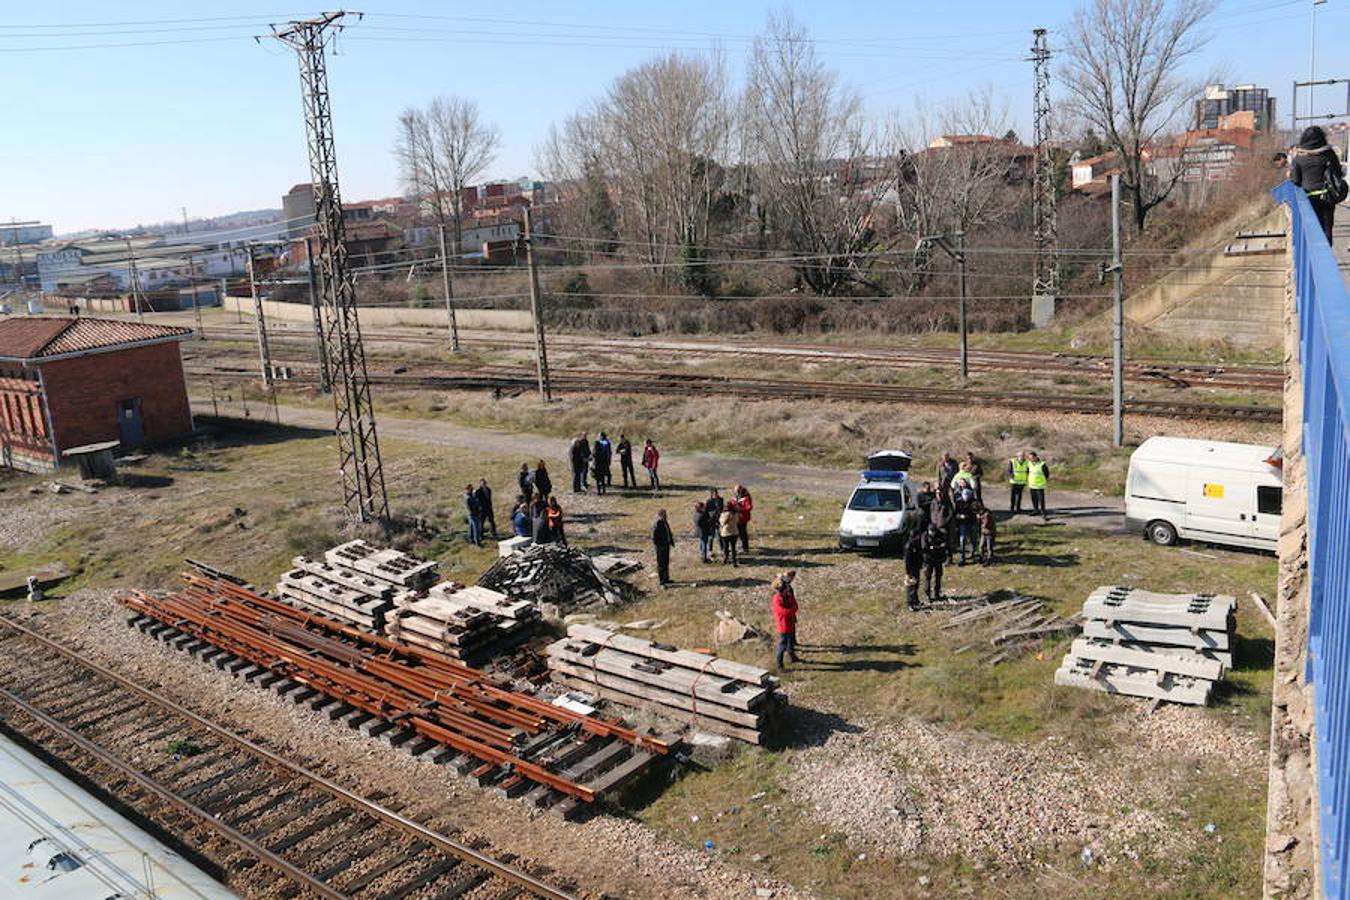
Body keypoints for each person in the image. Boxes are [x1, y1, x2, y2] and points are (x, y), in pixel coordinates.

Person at [1289, 125, 1345, 243]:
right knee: (1327, 226)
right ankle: (1327, 254)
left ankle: (1314, 256)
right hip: (1327, 196)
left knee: (1312, 228)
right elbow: (1338, 174)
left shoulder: (1299, 157)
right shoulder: (1329, 154)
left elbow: (1295, 181)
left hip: (1307, 198)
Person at [771, 572, 800, 670]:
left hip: (790, 622)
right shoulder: (777, 599)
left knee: (790, 642)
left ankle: (793, 657)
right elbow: (783, 612)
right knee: (782, 645)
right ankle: (780, 665)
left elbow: (794, 604)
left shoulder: (787, 595)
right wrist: (792, 610)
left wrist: (792, 609)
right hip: (783, 626)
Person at [921, 523, 947, 603]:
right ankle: (928, 595)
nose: (932, 533)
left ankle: (937, 593)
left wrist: (935, 547)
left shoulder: (940, 534)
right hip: (928, 560)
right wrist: (936, 547)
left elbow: (944, 544)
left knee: (938, 576)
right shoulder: (925, 536)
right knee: (927, 577)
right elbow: (925, 547)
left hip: (938, 559)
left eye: (933, 531)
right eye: (931, 531)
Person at [953, 479, 976, 565]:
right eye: (964, 495)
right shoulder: (959, 503)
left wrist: (971, 515)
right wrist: (960, 516)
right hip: (962, 523)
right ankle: (962, 558)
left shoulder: (973, 502)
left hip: (972, 523)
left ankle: (973, 553)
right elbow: (955, 514)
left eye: (967, 495)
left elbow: (977, 511)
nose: (966, 497)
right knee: (962, 540)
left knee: (973, 540)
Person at [652, 509, 676, 587]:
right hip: (660, 547)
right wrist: (659, 545)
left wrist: (671, 542)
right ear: (661, 515)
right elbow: (654, 537)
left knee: (666, 562)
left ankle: (666, 578)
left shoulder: (665, 522)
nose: (666, 515)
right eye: (664, 514)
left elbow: (668, 532)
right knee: (661, 564)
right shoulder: (657, 524)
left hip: (666, 545)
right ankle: (662, 581)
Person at [903, 527, 924, 611]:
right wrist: (908, 573)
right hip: (911, 570)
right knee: (911, 587)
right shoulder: (909, 546)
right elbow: (907, 561)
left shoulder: (916, 544)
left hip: (916, 568)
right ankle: (910, 603)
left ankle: (916, 601)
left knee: (916, 585)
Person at [1026, 451, 1051, 520]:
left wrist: (1043, 480)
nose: (1030, 459)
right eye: (1029, 458)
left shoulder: (1042, 464)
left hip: (1039, 486)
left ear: (1036, 457)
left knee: (1041, 500)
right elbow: (1028, 472)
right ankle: (1035, 510)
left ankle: (1043, 513)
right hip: (1032, 485)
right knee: (1034, 499)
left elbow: (1047, 474)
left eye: (1032, 458)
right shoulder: (1029, 464)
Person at [733, 484, 753, 552]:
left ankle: (745, 547)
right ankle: (740, 545)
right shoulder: (736, 496)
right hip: (736, 517)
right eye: (735, 491)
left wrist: (740, 509)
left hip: (743, 518)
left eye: (737, 490)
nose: (736, 492)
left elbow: (749, 507)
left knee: (743, 533)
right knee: (737, 532)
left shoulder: (746, 497)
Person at [976, 501, 996, 565]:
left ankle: (989, 559)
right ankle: (981, 557)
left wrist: (979, 519)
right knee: (981, 546)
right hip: (983, 532)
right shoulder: (982, 515)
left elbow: (985, 524)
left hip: (989, 533)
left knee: (989, 547)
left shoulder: (987, 515)